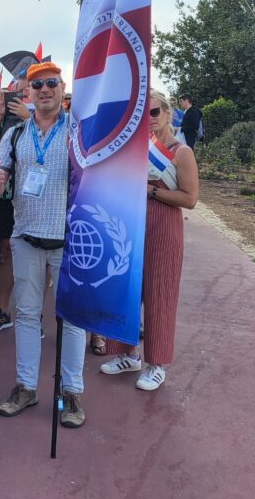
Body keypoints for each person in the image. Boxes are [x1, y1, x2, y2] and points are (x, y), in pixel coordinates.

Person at [0, 61, 86, 428]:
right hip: (26, 236)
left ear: (62, 89)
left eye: (51, 83)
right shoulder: (16, 135)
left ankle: (71, 392)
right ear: (27, 93)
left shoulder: (78, 132)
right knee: (26, 315)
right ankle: (26, 387)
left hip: (69, 239)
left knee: (71, 318)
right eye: (37, 85)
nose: (44, 90)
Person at [100, 91, 199, 390]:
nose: (149, 119)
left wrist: (152, 191)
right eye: (142, 115)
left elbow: (190, 198)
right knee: (126, 290)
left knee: (160, 293)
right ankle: (126, 354)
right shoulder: (136, 149)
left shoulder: (181, 152)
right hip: (131, 224)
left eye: (154, 112)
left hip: (164, 225)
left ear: (168, 113)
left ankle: (156, 363)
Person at [0, 81, 32, 335]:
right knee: (3, 251)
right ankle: (1, 311)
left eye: (24, 91)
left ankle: (34, 314)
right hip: (3, 190)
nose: (18, 96)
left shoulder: (42, 113)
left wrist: (29, 116)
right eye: (15, 91)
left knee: (37, 254)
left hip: (35, 193)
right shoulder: (0, 116)